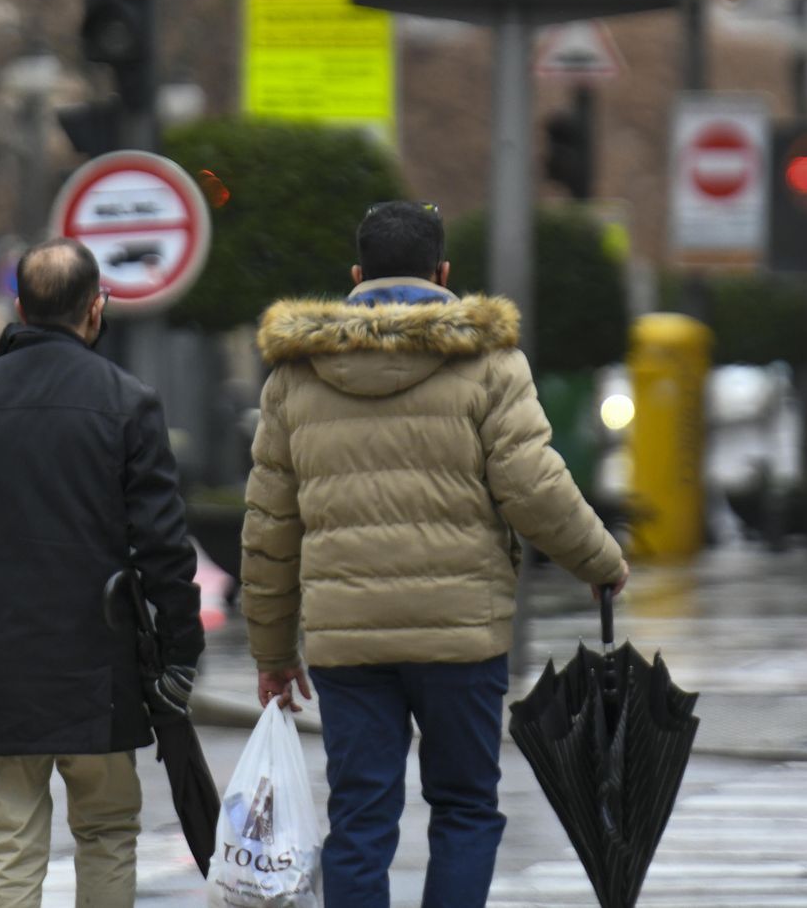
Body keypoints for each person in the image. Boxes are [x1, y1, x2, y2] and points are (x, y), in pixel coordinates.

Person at [239, 202, 629, 908]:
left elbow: (270, 524)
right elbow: (533, 486)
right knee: (465, 806)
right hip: (461, 632)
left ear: (356, 276)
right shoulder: (487, 362)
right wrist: (601, 561)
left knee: (359, 817)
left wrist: (271, 650)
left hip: (347, 640)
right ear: (443, 274)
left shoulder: (295, 375)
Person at [0, 238, 202, 908]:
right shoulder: (128, 402)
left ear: (19, 307)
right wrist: (181, 653)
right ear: (96, 309)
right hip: (98, 673)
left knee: (9, 849)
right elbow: (163, 547)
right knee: (105, 832)